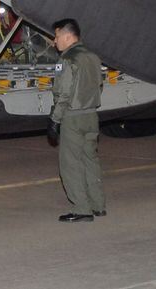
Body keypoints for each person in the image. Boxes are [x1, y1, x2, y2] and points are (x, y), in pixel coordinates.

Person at [48, 18, 105, 222]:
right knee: (90, 161)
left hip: (73, 117)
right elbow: (99, 85)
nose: (54, 41)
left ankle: (82, 209)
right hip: (91, 115)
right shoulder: (93, 57)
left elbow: (63, 93)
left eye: (56, 36)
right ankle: (98, 205)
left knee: (71, 164)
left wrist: (54, 120)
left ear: (68, 36)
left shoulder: (67, 60)